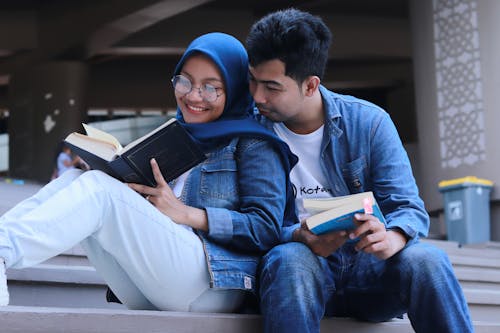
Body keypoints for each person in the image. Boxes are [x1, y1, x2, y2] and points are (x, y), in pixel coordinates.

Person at [0, 32, 297, 312]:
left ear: (233, 89)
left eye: (211, 87)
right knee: (77, 178)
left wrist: (187, 214)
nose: (194, 96)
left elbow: (267, 229)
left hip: (214, 284)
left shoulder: (255, 143)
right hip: (154, 281)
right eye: (185, 82)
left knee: (100, 191)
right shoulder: (175, 136)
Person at [245, 8, 473, 333]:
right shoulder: (252, 134)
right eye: (252, 80)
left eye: (271, 87)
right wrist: (299, 236)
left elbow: (408, 206)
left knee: (428, 262)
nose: (257, 96)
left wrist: (392, 237)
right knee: (290, 260)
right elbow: (254, 223)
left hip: (370, 270)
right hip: (299, 272)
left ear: (310, 86)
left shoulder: (368, 122)